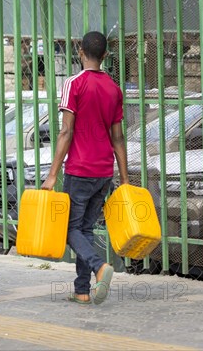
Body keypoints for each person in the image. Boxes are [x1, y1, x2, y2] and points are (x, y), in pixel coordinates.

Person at [41, 31, 129, 305]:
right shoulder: (114, 89)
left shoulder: (73, 84)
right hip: (104, 171)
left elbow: (66, 131)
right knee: (86, 230)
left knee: (69, 229)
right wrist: (124, 178)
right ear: (104, 55)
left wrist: (52, 174)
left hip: (79, 170)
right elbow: (118, 138)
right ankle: (82, 291)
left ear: (80, 51)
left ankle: (99, 266)